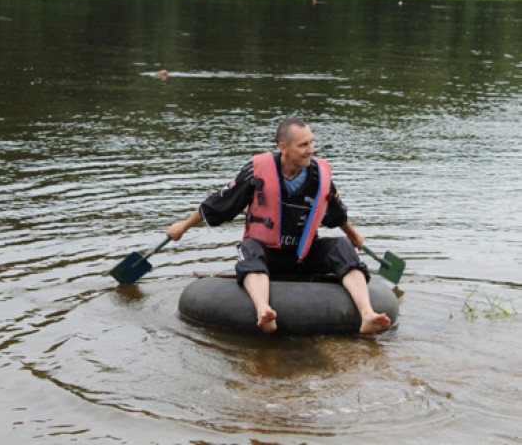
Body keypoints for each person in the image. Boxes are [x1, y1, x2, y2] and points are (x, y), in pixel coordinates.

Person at [166, 117, 391, 335]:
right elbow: (219, 203)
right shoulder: (257, 172)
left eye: (312, 142)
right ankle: (264, 310)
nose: (310, 150)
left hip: (304, 256)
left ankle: (367, 314)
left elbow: (336, 213)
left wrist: (354, 235)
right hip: (267, 254)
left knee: (341, 246)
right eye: (303, 145)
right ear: (283, 147)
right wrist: (183, 226)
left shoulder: (319, 177)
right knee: (249, 248)